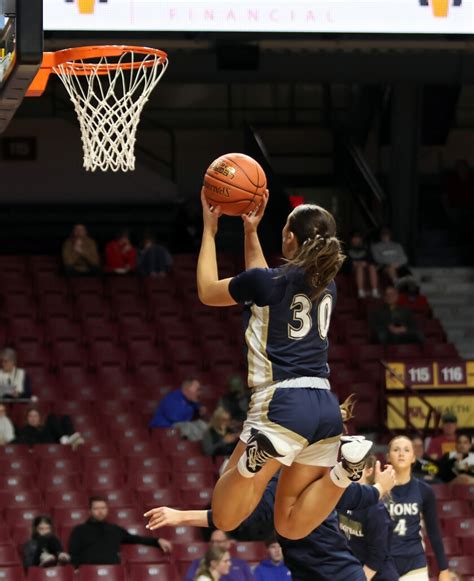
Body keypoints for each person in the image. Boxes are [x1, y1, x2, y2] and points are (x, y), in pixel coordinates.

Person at [196, 189, 373, 539]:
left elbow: (206, 290)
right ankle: (346, 471)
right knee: (290, 525)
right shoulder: (328, 285)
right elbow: (264, 282)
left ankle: (251, 463)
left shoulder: (268, 282)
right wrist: (250, 232)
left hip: (282, 402)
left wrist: (210, 229)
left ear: (289, 238)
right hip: (324, 405)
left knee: (225, 516)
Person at [145, 462, 397, 581]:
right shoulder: (278, 487)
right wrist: (180, 516)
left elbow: (356, 495)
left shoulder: (317, 477)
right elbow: (235, 521)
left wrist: (378, 488)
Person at [386, 435, 450, 581]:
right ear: (388, 457)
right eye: (396, 449)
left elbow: (434, 531)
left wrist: (443, 568)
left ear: (414, 458)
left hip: (414, 562)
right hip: (384, 562)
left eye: (406, 450)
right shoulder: (378, 489)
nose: (401, 453)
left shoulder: (424, 490)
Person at [338, 455, 398, 580]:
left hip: (377, 575)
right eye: (348, 466)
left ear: (369, 471)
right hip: (354, 571)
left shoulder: (376, 508)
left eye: (357, 467)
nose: (351, 471)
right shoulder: (341, 498)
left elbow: (377, 556)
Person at [69, 496, 171, 567]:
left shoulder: (115, 529)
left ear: (107, 510)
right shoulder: (79, 531)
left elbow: (135, 539)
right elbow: (73, 554)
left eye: (103, 508)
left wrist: (157, 540)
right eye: (96, 508)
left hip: (114, 573)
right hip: (89, 574)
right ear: (90, 511)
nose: (100, 511)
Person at [184, 530, 254, 581]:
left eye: (219, 542)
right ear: (213, 563)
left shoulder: (241, 564)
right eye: (212, 541)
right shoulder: (198, 563)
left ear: (228, 543)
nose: (215, 545)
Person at [14, 406, 84, 448]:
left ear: (39, 418)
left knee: (65, 418)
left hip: (55, 441)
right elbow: (24, 441)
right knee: (51, 417)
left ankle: (69, 438)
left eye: (35, 416)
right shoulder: (25, 430)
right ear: (27, 418)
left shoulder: (42, 427)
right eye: (30, 416)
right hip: (44, 445)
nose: (33, 418)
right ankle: (69, 440)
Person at [345, 231, 379, 299]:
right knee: (359, 267)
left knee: (372, 267)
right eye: (354, 238)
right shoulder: (347, 248)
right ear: (351, 239)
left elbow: (371, 259)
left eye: (358, 238)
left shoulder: (365, 248)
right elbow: (343, 260)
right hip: (352, 268)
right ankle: (360, 291)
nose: (356, 240)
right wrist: (353, 263)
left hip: (365, 267)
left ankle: (375, 291)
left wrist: (366, 263)